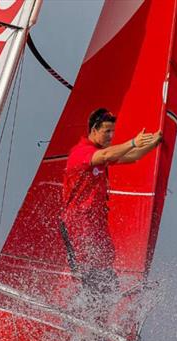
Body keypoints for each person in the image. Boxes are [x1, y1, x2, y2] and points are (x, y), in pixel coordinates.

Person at [60, 108, 162, 322]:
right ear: (94, 130)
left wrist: (154, 142)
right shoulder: (82, 152)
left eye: (112, 132)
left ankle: (95, 326)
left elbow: (130, 156)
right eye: (106, 131)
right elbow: (107, 154)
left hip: (96, 227)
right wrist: (133, 141)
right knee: (93, 278)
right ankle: (73, 321)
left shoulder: (102, 155)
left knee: (108, 281)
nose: (110, 136)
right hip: (78, 226)